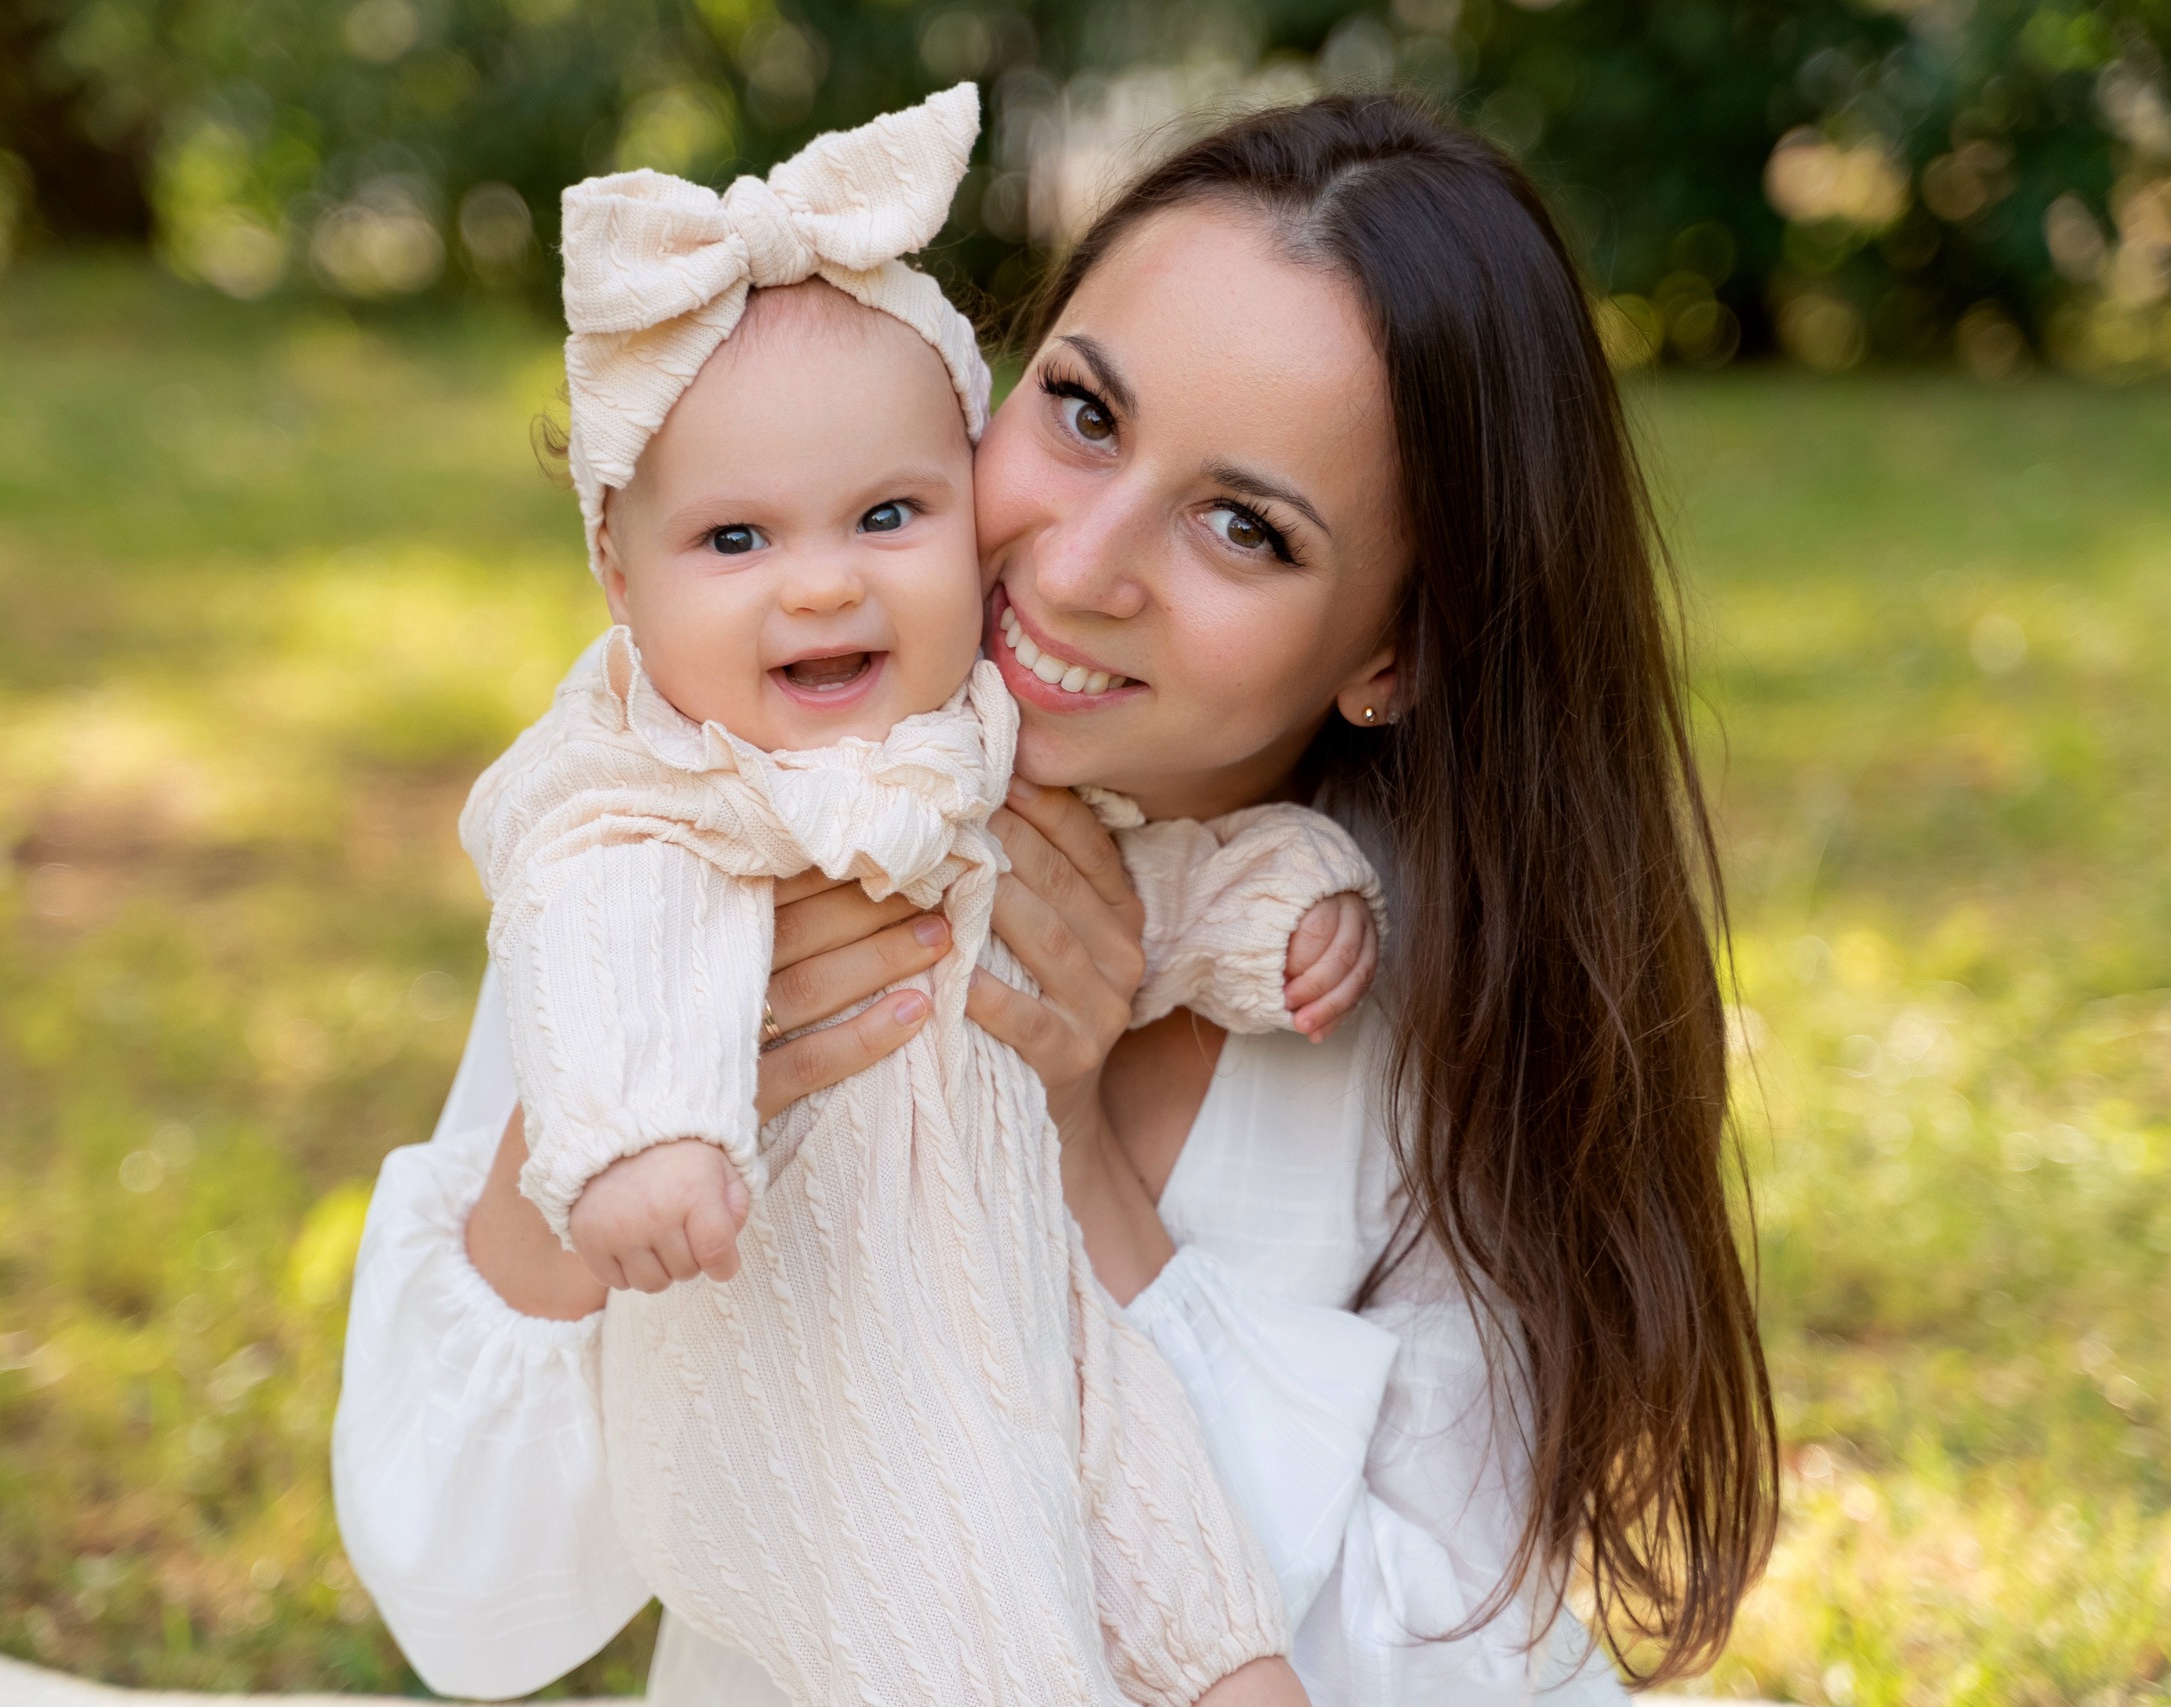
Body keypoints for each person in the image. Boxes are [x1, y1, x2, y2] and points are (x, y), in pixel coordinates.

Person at [334, 91, 1778, 1705]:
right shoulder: (709, 795)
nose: (1079, 565)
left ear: (1397, 648)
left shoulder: (1424, 986)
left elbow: (1474, 1666)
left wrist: (1080, 1166)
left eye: (1244, 527)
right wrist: (628, 1103)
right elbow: (466, 1615)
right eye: (1084, 413)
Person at [452, 84, 1381, 1707]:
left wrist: (1279, 908)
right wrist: (634, 1133)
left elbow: (1136, 892)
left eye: (885, 516)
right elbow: (605, 928)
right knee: (966, 1597)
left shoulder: (965, 743)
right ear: (619, 569)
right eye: (1084, 413)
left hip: (1031, 1319)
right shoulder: (669, 783)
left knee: (1192, 1574)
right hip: (830, 1396)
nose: (820, 582)